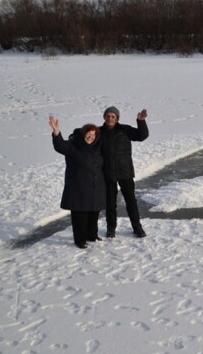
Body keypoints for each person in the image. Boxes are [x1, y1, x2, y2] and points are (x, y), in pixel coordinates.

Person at [49, 116, 106, 249]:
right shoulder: (73, 146)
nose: (90, 137)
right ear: (83, 134)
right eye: (88, 134)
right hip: (78, 188)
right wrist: (56, 132)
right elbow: (60, 146)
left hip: (95, 187)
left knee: (93, 213)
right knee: (79, 216)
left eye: (93, 134)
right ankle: (79, 240)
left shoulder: (97, 147)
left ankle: (92, 235)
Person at [99, 106, 149, 238]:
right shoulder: (98, 132)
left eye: (113, 116)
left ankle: (137, 227)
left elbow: (142, 135)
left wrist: (141, 121)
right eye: (108, 116)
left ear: (117, 118)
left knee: (131, 201)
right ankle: (111, 228)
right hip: (107, 173)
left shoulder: (124, 130)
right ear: (104, 117)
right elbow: (85, 138)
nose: (110, 118)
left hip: (125, 172)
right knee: (110, 203)